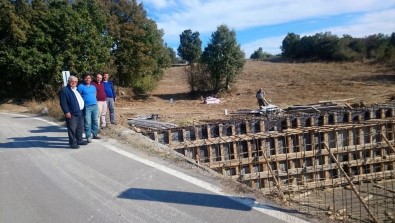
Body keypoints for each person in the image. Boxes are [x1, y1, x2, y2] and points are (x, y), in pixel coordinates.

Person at [59, 76, 87, 149]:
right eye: (72, 81)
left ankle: (79, 140)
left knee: (80, 128)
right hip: (72, 113)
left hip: (80, 112)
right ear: (69, 81)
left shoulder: (75, 90)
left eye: (75, 81)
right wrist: (66, 112)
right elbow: (63, 103)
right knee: (72, 129)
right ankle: (72, 143)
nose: (74, 82)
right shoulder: (64, 90)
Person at [77, 73, 100, 143]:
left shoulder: (93, 87)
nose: (88, 79)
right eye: (86, 78)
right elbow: (78, 96)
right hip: (87, 107)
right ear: (84, 79)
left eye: (89, 78)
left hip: (95, 105)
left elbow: (95, 94)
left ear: (91, 79)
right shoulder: (81, 86)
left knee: (95, 121)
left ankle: (95, 134)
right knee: (88, 122)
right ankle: (88, 136)